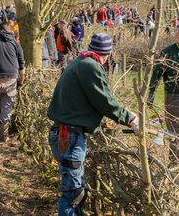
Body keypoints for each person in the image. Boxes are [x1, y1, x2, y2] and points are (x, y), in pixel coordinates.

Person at [48, 33, 139, 215]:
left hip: (66, 133)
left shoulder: (80, 61)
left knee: (76, 192)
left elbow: (86, 99)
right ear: (107, 54)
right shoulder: (90, 66)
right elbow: (105, 101)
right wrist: (130, 118)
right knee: (73, 195)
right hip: (69, 136)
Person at [148, 28, 179, 167]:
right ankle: (176, 161)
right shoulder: (167, 53)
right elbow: (156, 74)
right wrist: (151, 93)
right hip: (175, 96)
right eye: (177, 37)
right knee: (175, 130)